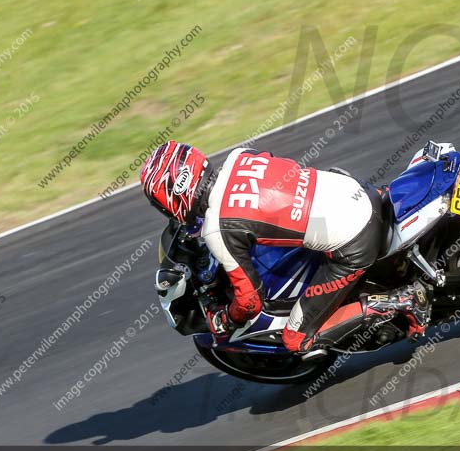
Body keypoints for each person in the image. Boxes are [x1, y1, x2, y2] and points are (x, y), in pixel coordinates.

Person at [140, 141, 430, 353]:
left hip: (355, 241)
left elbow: (250, 301)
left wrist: (224, 317)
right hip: (356, 191)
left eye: (161, 205)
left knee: (296, 339)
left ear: (173, 196)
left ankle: (400, 301)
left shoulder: (219, 228)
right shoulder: (240, 156)